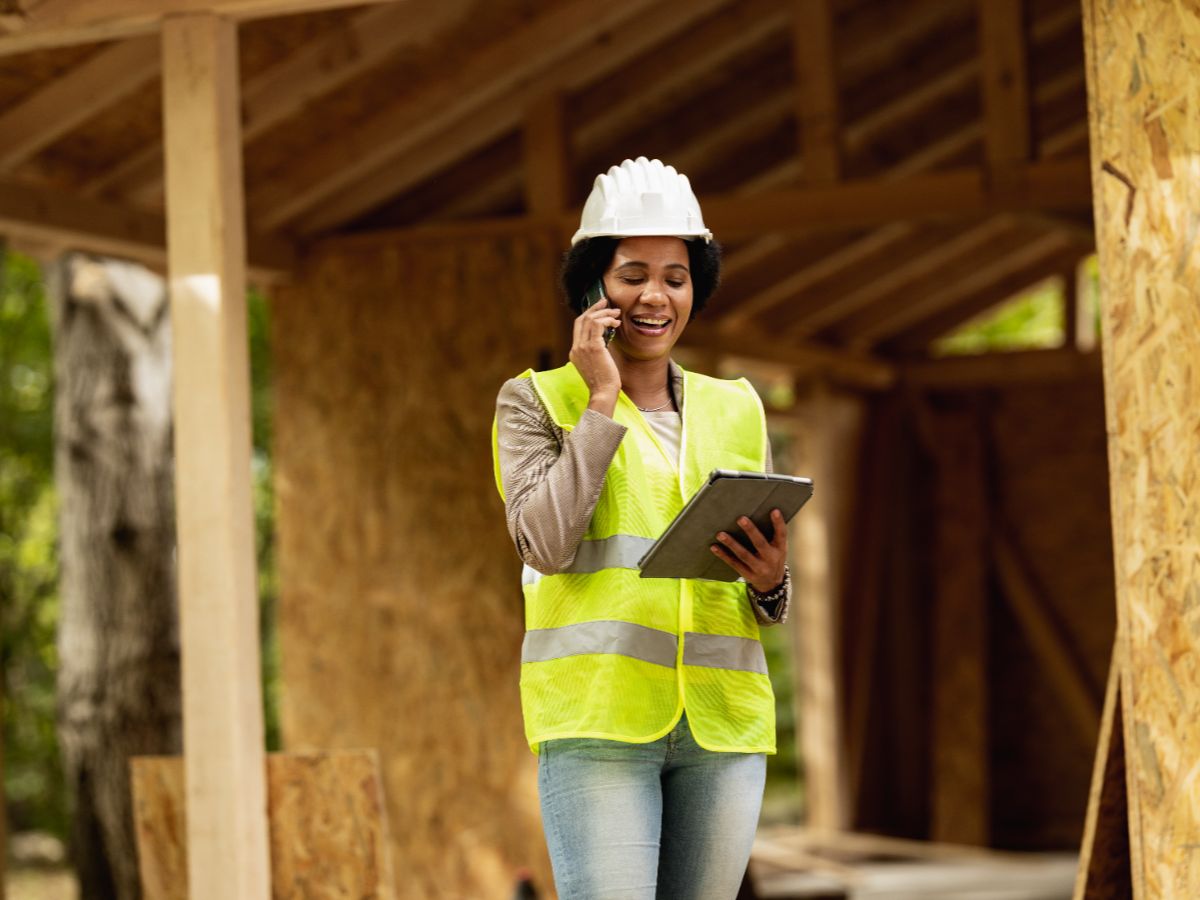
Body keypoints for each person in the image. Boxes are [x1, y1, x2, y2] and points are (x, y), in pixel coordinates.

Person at [492, 157, 791, 900]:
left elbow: (763, 586)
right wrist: (602, 400)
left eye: (676, 276)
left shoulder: (737, 408)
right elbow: (546, 542)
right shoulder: (536, 402)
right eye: (633, 274)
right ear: (593, 283)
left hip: (721, 730)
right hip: (599, 724)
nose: (656, 295)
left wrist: (771, 582)